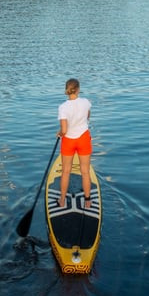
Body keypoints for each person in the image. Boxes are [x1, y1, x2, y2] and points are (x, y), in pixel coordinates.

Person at [56, 78, 93, 209]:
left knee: (66, 172)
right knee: (85, 172)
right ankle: (88, 201)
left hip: (69, 141)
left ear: (67, 90)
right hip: (83, 139)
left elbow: (64, 130)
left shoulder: (63, 107)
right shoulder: (86, 102)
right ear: (78, 89)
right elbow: (87, 117)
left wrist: (59, 133)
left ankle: (61, 201)